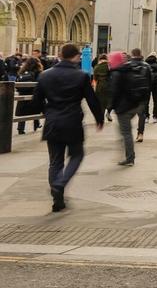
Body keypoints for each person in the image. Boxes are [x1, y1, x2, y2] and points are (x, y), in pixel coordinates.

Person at [33, 44, 104, 212]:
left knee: (55, 162)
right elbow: (91, 99)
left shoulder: (45, 75)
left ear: (60, 55)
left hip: (53, 122)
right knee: (77, 155)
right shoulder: (81, 76)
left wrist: (48, 112)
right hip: (72, 122)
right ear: (75, 56)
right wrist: (99, 118)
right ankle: (60, 183)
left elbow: (36, 103)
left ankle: (57, 197)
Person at [109, 49, 152, 160]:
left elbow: (115, 92)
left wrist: (110, 107)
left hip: (124, 106)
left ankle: (129, 157)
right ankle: (140, 134)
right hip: (137, 101)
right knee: (137, 119)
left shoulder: (119, 72)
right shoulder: (143, 66)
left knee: (126, 133)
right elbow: (149, 82)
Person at [15, 57, 44, 136]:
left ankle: (20, 129)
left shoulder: (22, 71)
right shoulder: (38, 72)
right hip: (33, 94)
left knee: (22, 112)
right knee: (35, 109)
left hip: (23, 94)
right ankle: (36, 124)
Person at [92, 53, 113, 122]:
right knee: (110, 101)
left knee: (101, 103)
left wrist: (94, 88)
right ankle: (108, 113)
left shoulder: (97, 67)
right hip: (109, 85)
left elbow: (95, 79)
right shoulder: (109, 66)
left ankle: (102, 117)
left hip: (100, 86)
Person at [145, 53, 157, 124]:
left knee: (146, 101)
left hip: (146, 84)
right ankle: (155, 117)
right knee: (155, 101)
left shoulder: (145, 63)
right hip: (155, 84)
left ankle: (146, 117)